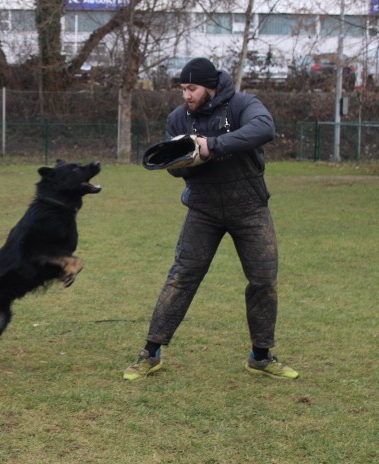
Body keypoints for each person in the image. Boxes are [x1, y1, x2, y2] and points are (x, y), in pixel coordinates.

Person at [124, 57, 298, 381]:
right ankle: (150, 354)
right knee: (181, 277)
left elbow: (264, 129)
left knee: (263, 281)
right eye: (183, 89)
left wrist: (211, 146)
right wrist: (187, 158)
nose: (186, 95)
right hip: (202, 209)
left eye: (192, 88)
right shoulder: (178, 119)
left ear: (211, 87)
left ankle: (261, 356)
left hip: (250, 208)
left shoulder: (243, 105)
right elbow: (174, 170)